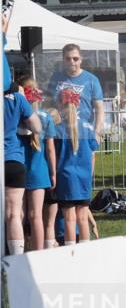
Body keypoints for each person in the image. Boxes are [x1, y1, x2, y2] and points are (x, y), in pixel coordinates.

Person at [53, 83, 98, 244]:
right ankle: (85, 253)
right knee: (82, 218)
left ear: (60, 104)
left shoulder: (58, 129)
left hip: (66, 177)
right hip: (84, 177)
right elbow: (93, 154)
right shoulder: (87, 127)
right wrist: (89, 174)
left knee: (69, 220)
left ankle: (70, 252)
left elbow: (54, 154)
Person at [18, 77, 57, 251]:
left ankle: (18, 252)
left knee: (19, 215)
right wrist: (53, 172)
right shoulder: (46, 116)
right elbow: (50, 149)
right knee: (36, 217)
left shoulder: (16, 114)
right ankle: (38, 253)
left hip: (18, 168)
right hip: (39, 171)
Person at [5, 80, 42, 255]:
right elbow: (36, 126)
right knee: (14, 213)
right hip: (13, 159)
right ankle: (16, 259)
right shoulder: (18, 99)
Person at [46, 43, 104, 138]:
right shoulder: (55, 77)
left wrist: (97, 132)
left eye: (75, 58)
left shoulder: (92, 80)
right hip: (58, 133)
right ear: (63, 60)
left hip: (83, 133)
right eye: (68, 59)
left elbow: (99, 108)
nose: (72, 61)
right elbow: (47, 103)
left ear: (81, 59)